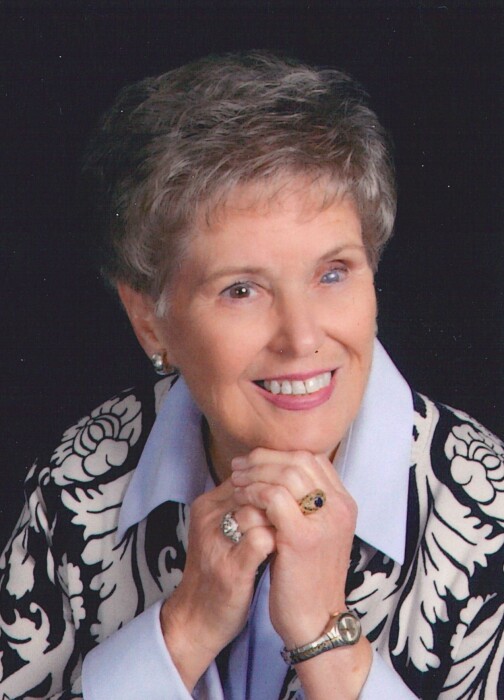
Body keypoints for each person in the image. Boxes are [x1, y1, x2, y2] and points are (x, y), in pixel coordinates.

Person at [0, 52, 502, 700]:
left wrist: (328, 641)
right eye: (241, 290)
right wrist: (184, 630)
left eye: (332, 273)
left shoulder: (487, 515)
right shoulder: (78, 481)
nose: (302, 336)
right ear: (149, 321)